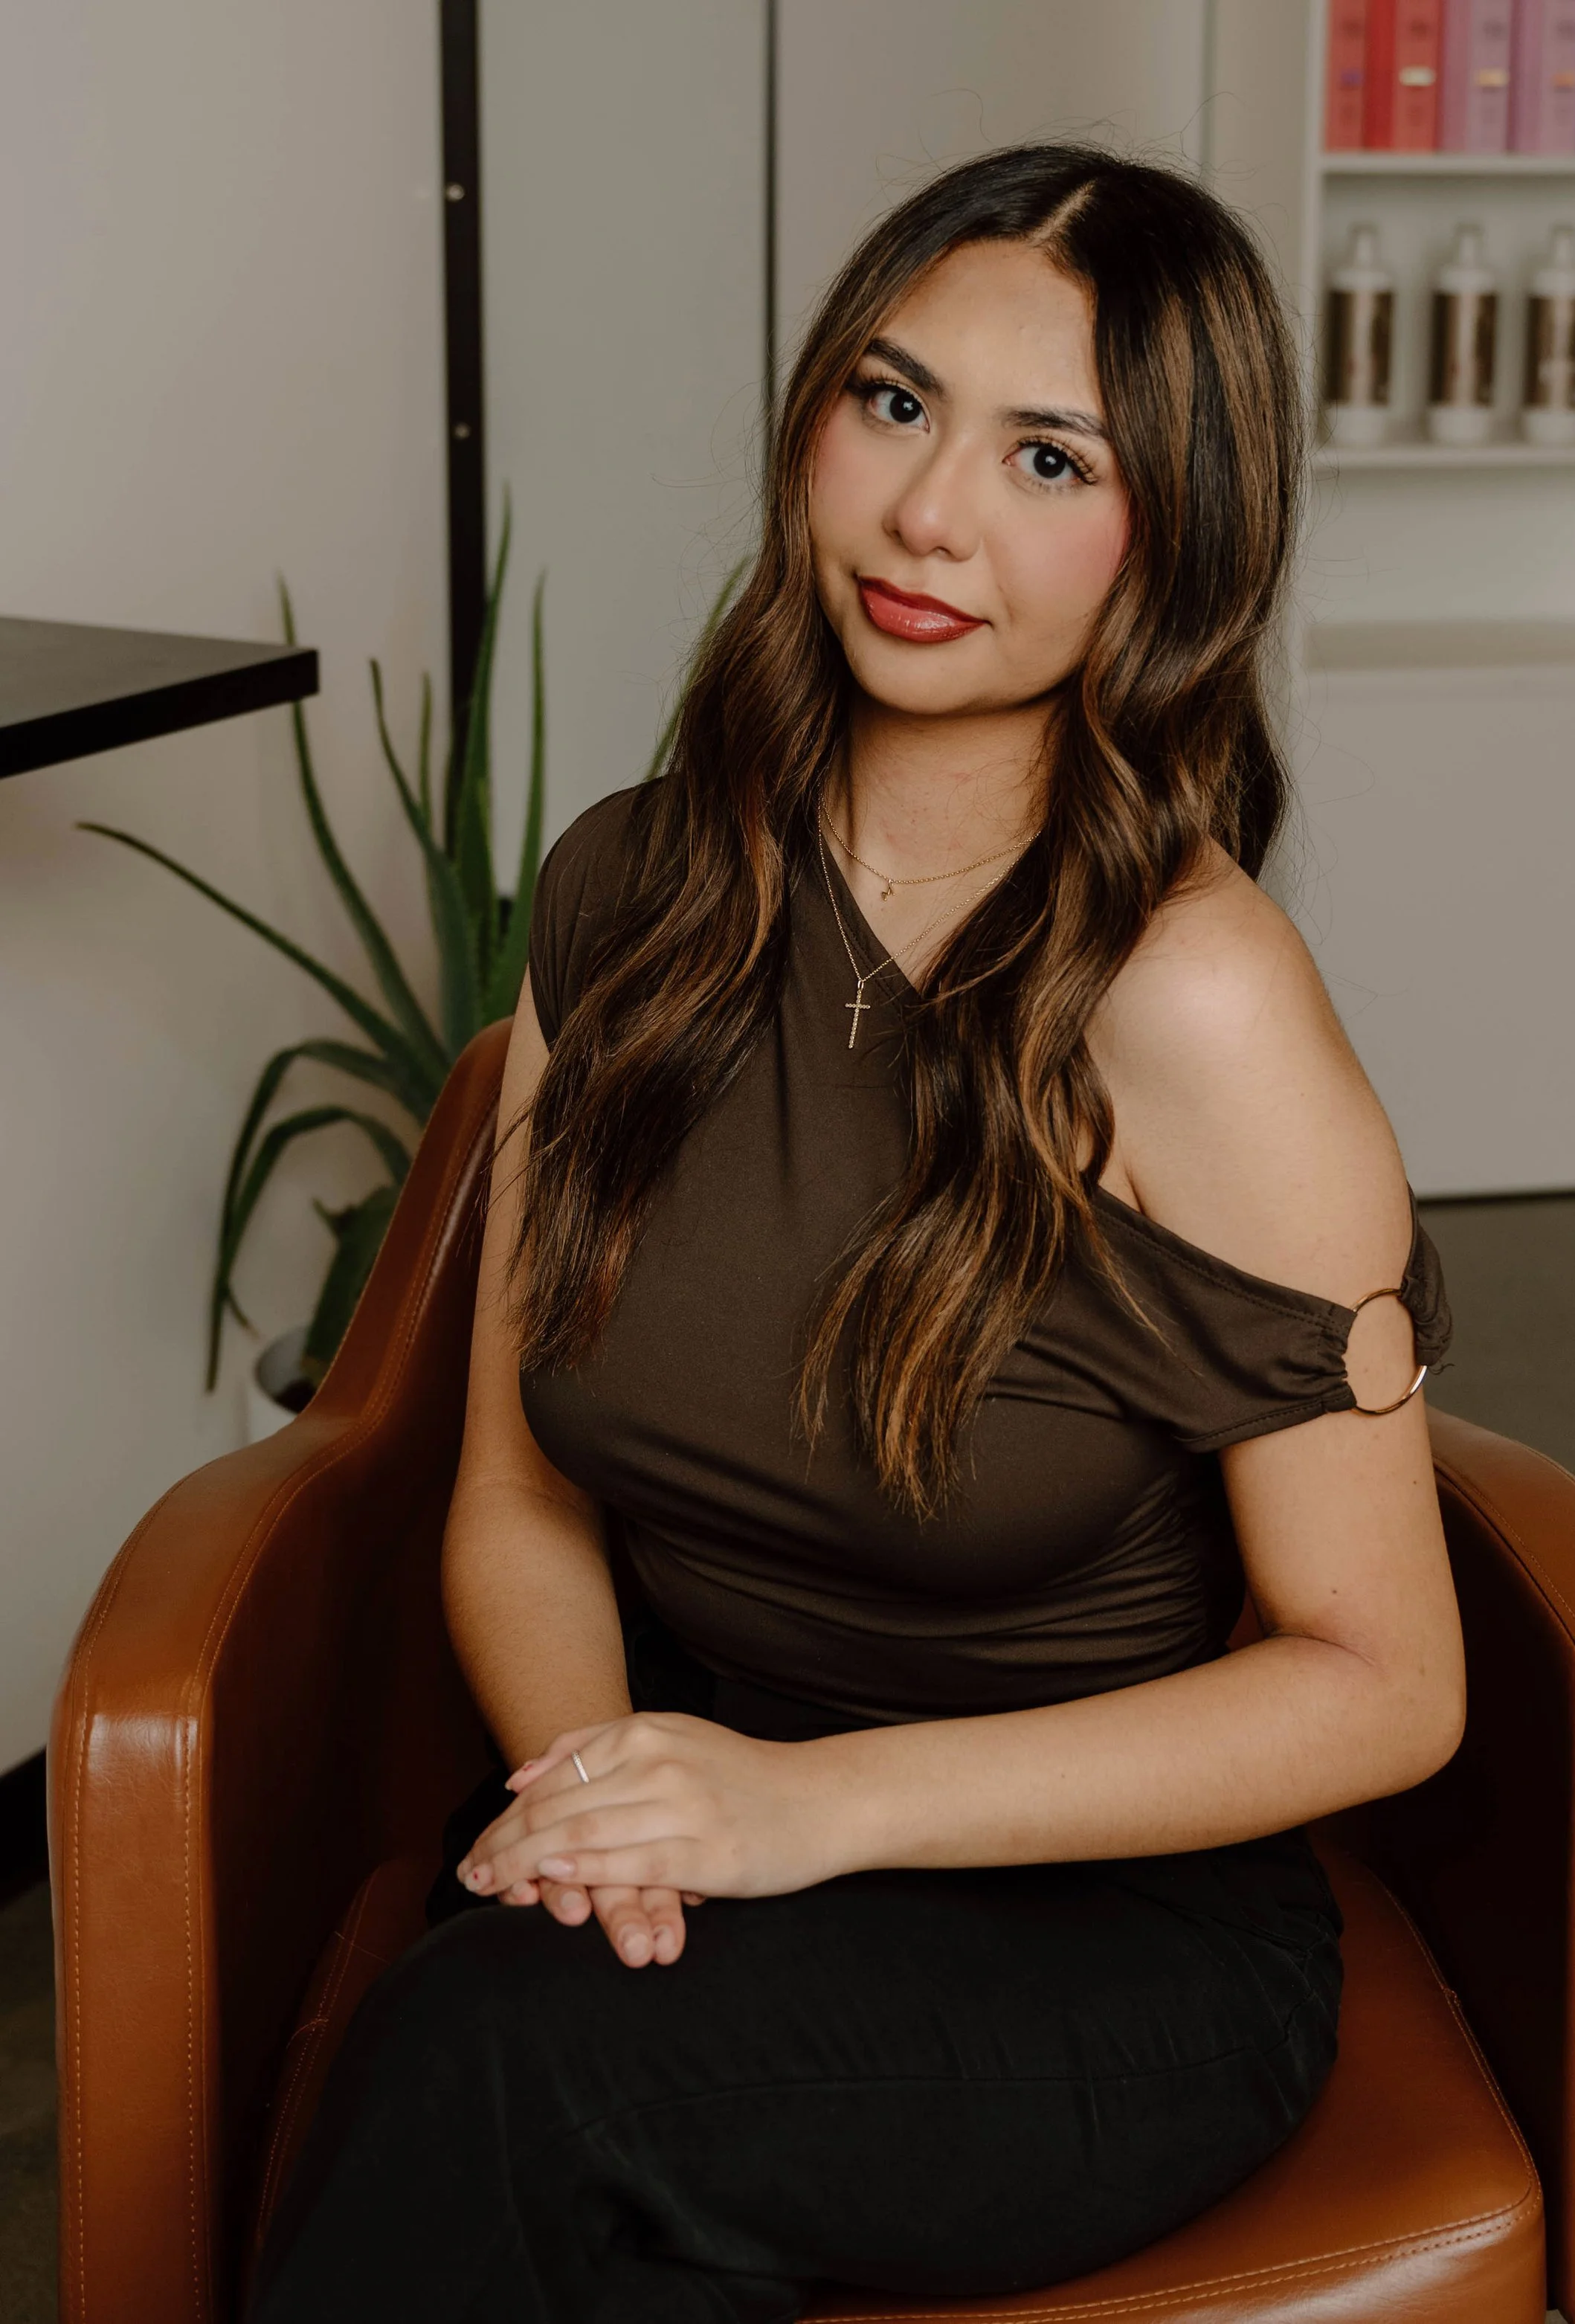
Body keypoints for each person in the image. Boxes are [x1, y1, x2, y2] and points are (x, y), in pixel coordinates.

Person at [250, 143, 1463, 2324]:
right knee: (566, 2143)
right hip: (702, 1794)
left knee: (502, 2074)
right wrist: (613, 1816)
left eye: (1048, 456)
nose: (928, 517)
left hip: (1106, 1920)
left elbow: (1386, 1683)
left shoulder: (1193, 1001)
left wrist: (801, 1815)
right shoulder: (629, 888)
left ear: (1173, 540)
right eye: (892, 405)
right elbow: (518, 1502)